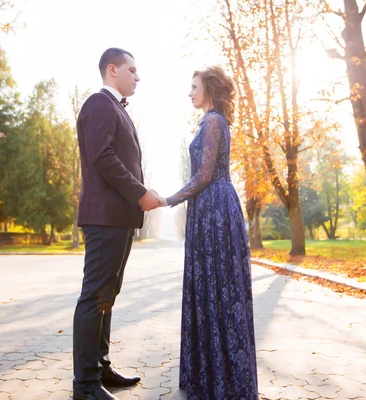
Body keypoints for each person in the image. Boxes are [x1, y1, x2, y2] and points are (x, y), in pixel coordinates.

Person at [157, 66, 259, 400]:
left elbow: (204, 175)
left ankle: (224, 380)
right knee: (213, 289)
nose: (189, 92)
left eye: (194, 86)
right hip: (209, 209)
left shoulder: (213, 120)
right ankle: (213, 375)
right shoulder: (210, 120)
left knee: (219, 290)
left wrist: (167, 200)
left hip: (215, 209)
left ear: (209, 89)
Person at [73, 47, 160, 400]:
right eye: (132, 70)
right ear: (112, 70)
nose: (138, 77)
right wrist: (140, 192)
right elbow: (102, 156)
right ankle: (86, 385)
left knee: (106, 296)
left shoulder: (114, 108)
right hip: (104, 218)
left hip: (119, 219)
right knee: (94, 297)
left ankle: (101, 368)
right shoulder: (99, 104)